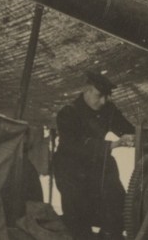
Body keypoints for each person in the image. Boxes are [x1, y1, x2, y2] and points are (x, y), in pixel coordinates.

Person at [53, 71, 134, 240]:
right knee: (77, 219)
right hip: (71, 170)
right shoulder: (68, 113)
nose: (103, 101)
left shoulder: (108, 109)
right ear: (86, 90)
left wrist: (133, 136)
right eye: (99, 96)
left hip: (97, 166)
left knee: (118, 204)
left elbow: (127, 128)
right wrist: (113, 144)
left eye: (106, 97)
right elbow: (73, 146)